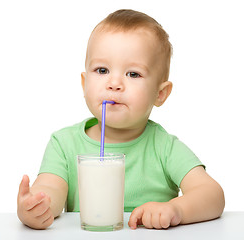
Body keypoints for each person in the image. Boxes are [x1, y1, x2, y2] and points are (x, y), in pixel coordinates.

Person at [17, 9, 225, 230]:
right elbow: (51, 188)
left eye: (133, 74)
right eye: (102, 70)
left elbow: (213, 195)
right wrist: (38, 206)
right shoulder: (63, 144)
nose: (114, 83)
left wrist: (177, 209)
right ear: (84, 84)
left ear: (160, 94)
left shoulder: (164, 147)